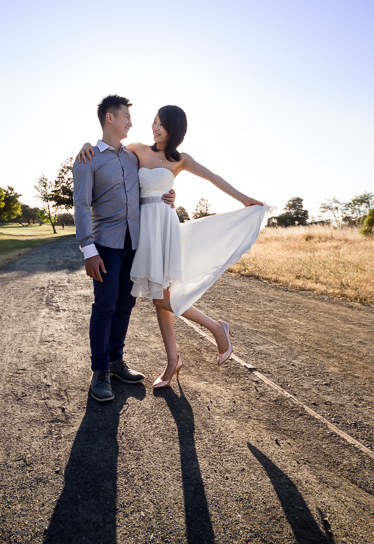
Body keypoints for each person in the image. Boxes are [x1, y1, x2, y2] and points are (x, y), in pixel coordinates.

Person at [79, 105, 274, 389]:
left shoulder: (181, 159)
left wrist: (245, 200)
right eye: (154, 122)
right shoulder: (136, 150)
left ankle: (212, 332)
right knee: (156, 298)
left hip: (163, 227)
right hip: (139, 230)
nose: (155, 128)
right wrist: (86, 145)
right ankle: (175, 358)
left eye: (162, 125)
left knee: (161, 298)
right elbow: (111, 147)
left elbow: (213, 177)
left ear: (175, 130)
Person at [72, 95, 175, 402]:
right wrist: (88, 250)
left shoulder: (132, 156)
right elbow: (80, 205)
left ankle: (116, 360)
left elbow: (154, 180)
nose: (131, 122)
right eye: (126, 117)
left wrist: (169, 194)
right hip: (105, 245)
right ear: (109, 119)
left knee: (125, 305)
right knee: (104, 307)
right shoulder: (87, 158)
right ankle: (100, 370)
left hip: (135, 243)